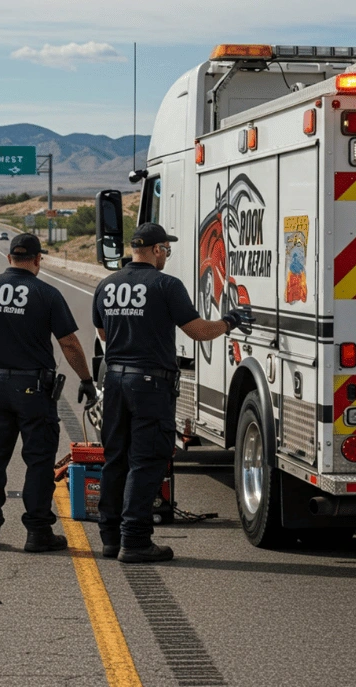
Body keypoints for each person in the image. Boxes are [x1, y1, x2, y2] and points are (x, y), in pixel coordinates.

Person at [93, 222, 253, 563]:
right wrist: (230, 322)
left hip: (116, 380)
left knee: (115, 457)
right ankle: (134, 540)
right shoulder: (166, 285)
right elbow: (198, 331)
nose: (166, 255)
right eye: (166, 249)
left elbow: (103, 333)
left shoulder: (106, 285)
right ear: (156, 250)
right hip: (149, 384)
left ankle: (109, 536)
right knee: (147, 459)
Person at [0, 233, 97, 552]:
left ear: (10, 258)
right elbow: (69, 343)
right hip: (33, 388)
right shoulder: (46, 293)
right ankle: (38, 532)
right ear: (37, 260)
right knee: (38, 461)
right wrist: (86, 380)